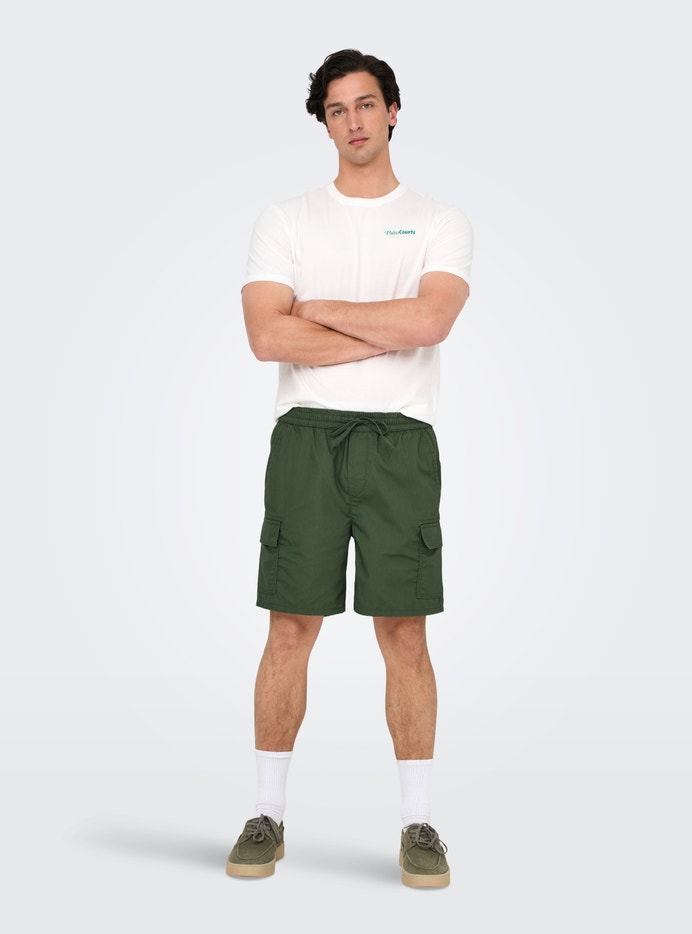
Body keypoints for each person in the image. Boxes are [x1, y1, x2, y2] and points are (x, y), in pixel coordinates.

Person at [226, 49, 473, 888]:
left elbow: (431, 322)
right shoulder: (286, 219)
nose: (355, 121)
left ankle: (418, 823)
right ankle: (267, 813)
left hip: (402, 441)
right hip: (306, 438)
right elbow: (268, 336)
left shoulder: (438, 220)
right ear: (324, 122)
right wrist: (384, 328)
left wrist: (322, 311)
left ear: (393, 111)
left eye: (367, 104)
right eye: (338, 109)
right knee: (289, 628)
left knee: (404, 632)